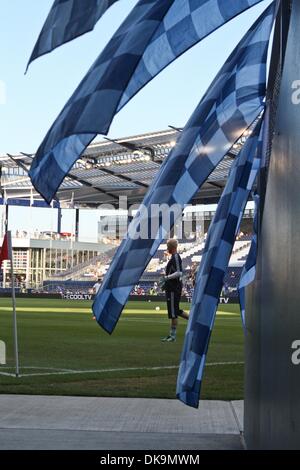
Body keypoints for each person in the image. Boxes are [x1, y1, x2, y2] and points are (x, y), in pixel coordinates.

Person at [161, 239, 189, 343]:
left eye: (168, 246)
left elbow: (179, 273)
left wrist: (167, 278)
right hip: (171, 287)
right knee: (176, 310)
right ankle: (193, 322)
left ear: (171, 247)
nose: (167, 248)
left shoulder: (176, 257)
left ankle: (172, 336)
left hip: (173, 288)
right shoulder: (173, 257)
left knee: (173, 312)